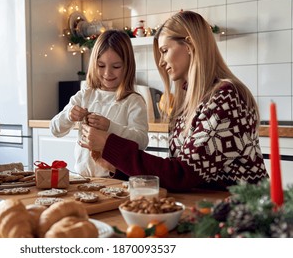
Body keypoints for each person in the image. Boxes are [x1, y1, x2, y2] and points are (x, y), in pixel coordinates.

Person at [80, 11, 268, 191]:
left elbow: (181, 174)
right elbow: (173, 173)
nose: (161, 62)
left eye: (164, 50)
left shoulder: (226, 97)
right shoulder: (187, 102)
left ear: (189, 45)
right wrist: (114, 167)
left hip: (241, 213)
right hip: (206, 207)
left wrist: (109, 144)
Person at [50, 29, 149, 177]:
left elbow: (141, 141)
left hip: (116, 181)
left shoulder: (133, 101)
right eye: (101, 66)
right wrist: (69, 116)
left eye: (116, 67)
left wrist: (110, 127)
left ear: (128, 66)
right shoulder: (85, 95)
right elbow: (55, 129)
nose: (107, 73)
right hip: (83, 179)